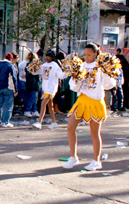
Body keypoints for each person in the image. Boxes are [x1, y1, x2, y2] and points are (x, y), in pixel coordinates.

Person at [63, 43, 116, 171]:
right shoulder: (80, 66)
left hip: (96, 101)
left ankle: (96, 160)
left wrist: (106, 73)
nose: (86, 57)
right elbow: (74, 87)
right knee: (70, 127)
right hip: (82, 100)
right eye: (85, 54)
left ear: (96, 54)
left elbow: (109, 85)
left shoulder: (101, 66)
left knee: (94, 132)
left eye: (89, 55)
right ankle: (73, 157)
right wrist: (76, 78)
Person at [31, 50, 67, 130]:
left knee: (43, 104)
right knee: (50, 106)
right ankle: (54, 122)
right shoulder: (44, 65)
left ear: (52, 57)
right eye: (46, 56)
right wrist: (33, 67)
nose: (47, 58)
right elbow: (35, 72)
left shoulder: (55, 66)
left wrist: (67, 72)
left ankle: (39, 122)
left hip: (51, 88)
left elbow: (61, 75)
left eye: (49, 56)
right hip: (45, 88)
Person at [0, 53, 18, 128]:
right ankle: (5, 122)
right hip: (9, 87)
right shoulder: (10, 66)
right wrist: (16, 89)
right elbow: (14, 78)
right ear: (11, 59)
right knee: (8, 106)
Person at [24, 52, 41, 118]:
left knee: (32, 97)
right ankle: (28, 110)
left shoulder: (28, 65)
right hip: (34, 84)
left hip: (29, 83)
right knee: (33, 98)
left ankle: (34, 110)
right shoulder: (34, 65)